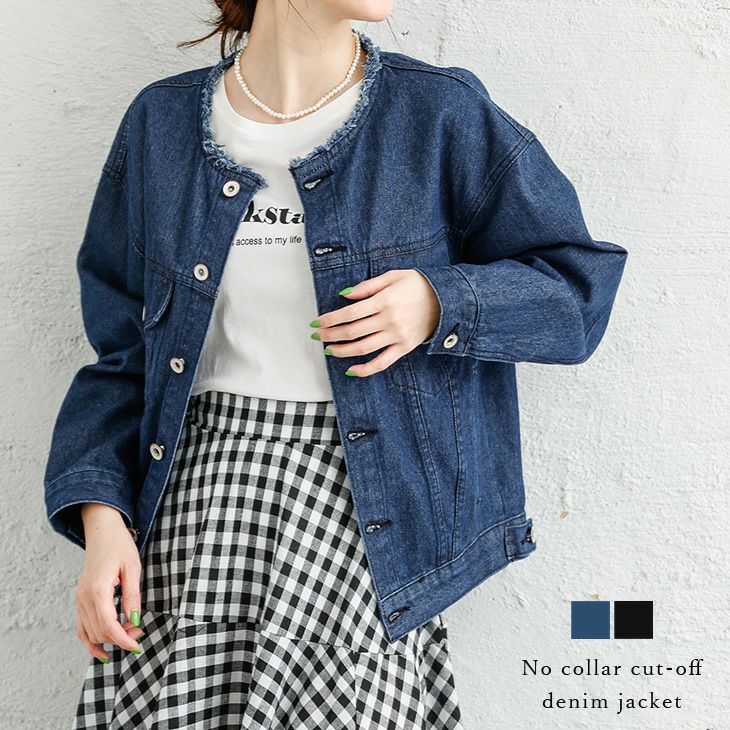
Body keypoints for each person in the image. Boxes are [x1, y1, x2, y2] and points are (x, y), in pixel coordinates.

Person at [44, 1, 628, 727]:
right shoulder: (160, 124)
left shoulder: (437, 114)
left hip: (365, 510)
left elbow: (578, 288)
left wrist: (438, 302)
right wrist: (103, 522)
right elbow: (123, 351)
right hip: (194, 512)